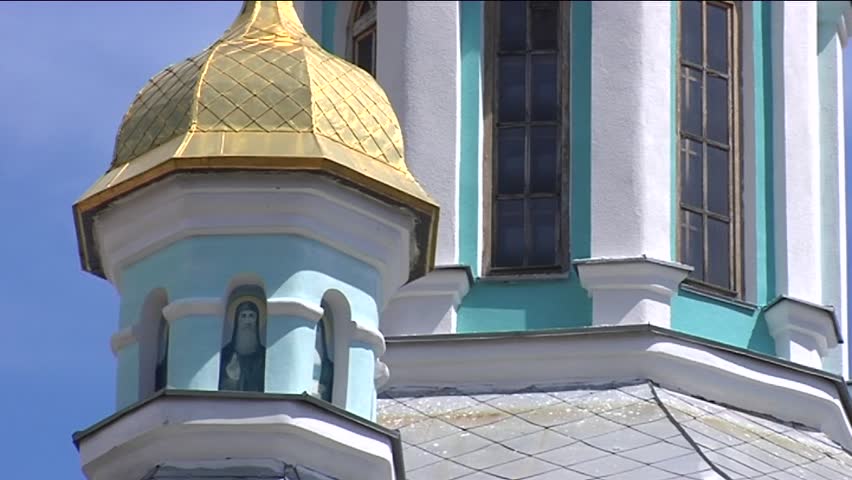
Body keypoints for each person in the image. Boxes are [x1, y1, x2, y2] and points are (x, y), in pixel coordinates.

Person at [219, 301, 265, 392]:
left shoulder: (264, 356)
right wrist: (231, 379)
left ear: (257, 320)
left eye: (251, 316)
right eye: (243, 316)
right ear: (237, 320)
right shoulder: (226, 354)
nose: (247, 321)